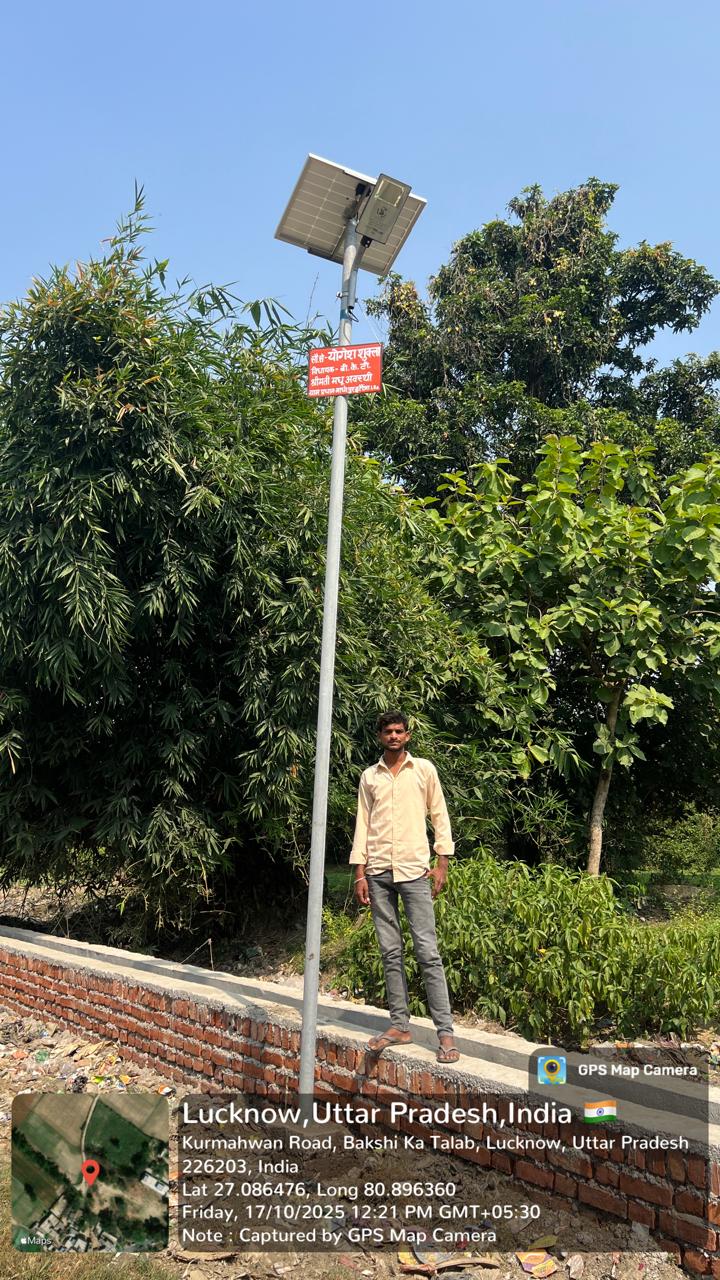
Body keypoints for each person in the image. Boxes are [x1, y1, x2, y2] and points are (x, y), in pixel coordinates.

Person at [349, 711, 459, 1064]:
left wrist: (442, 862)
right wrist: (360, 873)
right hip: (378, 872)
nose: (394, 736)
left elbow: (439, 815)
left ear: (407, 736)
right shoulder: (370, 776)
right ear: (380, 736)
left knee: (428, 952)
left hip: (414, 871)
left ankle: (445, 1033)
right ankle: (399, 1025)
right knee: (390, 951)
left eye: (399, 731)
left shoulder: (423, 770)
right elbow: (363, 824)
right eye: (388, 731)